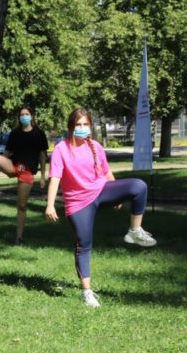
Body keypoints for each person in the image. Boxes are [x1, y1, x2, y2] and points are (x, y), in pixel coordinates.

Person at [45, 107, 157, 308]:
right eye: (78, 124)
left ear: (90, 125)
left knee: (139, 186)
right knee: (83, 245)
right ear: (71, 127)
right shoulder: (62, 149)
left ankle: (134, 230)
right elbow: (55, 179)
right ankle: (87, 292)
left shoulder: (95, 146)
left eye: (85, 124)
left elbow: (106, 172)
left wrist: (117, 193)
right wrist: (50, 205)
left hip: (101, 191)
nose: (82, 128)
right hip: (78, 203)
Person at [0, 107, 48, 245]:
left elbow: (42, 155)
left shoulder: (39, 134)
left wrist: (43, 176)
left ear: (32, 116)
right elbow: (6, 153)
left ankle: (19, 238)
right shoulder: (15, 133)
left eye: (27, 114)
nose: (24, 117)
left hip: (27, 171)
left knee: (21, 206)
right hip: (14, 165)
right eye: (22, 115)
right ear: (19, 117)